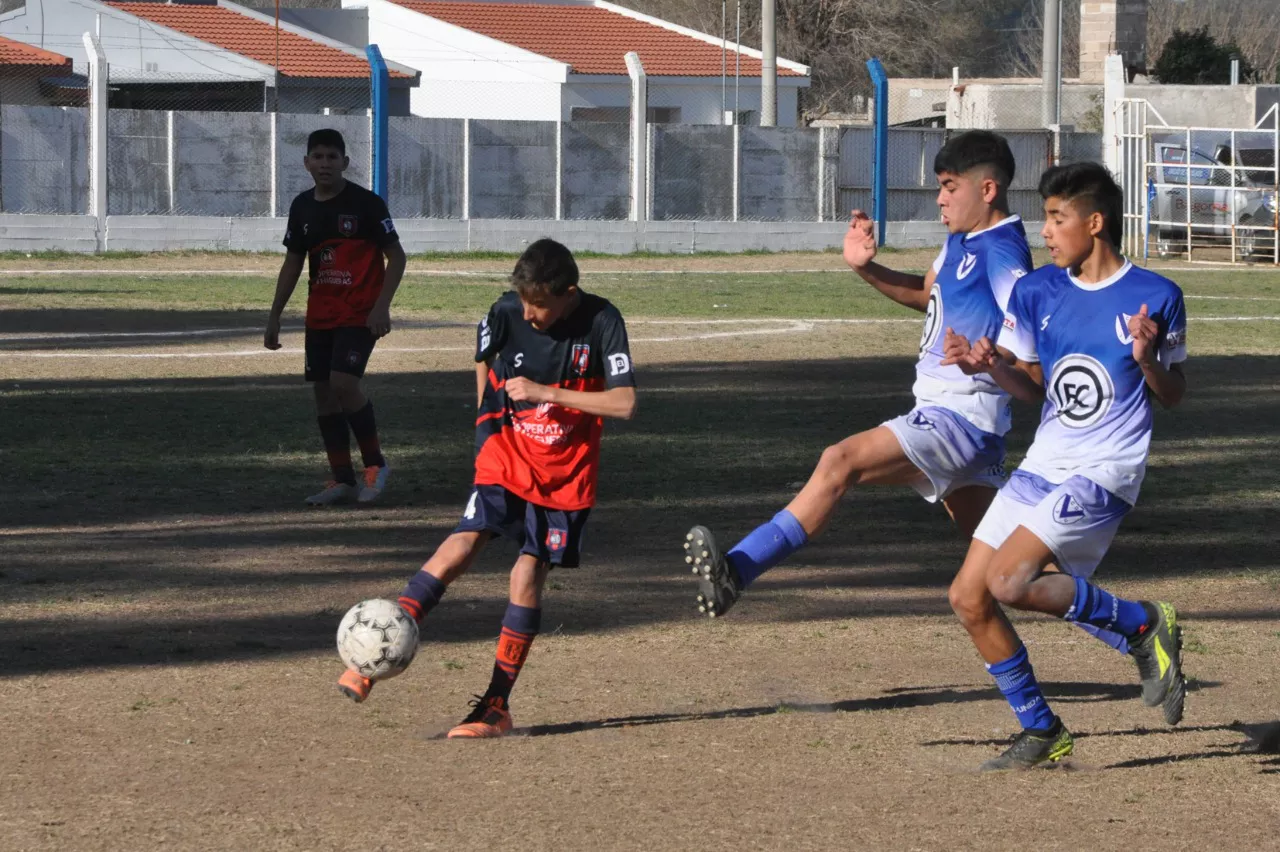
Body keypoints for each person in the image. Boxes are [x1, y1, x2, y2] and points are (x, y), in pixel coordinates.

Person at [683, 130, 1032, 617]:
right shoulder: (962, 240)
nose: (940, 198)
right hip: (961, 420)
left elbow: (1030, 333)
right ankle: (1129, 625)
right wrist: (866, 268)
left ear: (988, 189)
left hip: (960, 420)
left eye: (950, 187)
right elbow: (926, 294)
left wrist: (991, 361)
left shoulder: (1003, 254)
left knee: (839, 462)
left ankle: (736, 571)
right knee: (1012, 570)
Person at [337, 238, 638, 740]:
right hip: (507, 451)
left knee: (527, 574)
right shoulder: (505, 311)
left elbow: (625, 403)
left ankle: (496, 706)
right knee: (465, 539)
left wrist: (545, 392)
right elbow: (484, 355)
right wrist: (486, 417)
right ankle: (378, 650)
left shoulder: (604, 321)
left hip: (565, 473)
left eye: (539, 304)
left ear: (568, 294)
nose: (529, 313)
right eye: (523, 300)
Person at [941, 161, 1188, 770]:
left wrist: (1147, 359)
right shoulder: (1036, 291)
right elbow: (1033, 387)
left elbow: (1174, 394)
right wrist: (989, 367)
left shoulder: (1156, 295)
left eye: (1056, 219)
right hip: (1045, 462)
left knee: (1010, 582)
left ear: (1094, 223)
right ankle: (1042, 730)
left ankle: (1142, 624)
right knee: (968, 597)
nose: (1045, 232)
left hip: (1105, 467)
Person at [265, 128, 406, 506]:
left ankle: (375, 465)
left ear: (345, 162)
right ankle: (341, 478)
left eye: (332, 157)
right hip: (320, 314)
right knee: (324, 394)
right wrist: (275, 314)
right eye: (318, 156)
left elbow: (397, 256)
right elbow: (293, 263)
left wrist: (382, 306)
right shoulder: (302, 206)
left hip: (360, 314)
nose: (325, 163)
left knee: (343, 383)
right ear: (306, 163)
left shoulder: (367, 204)